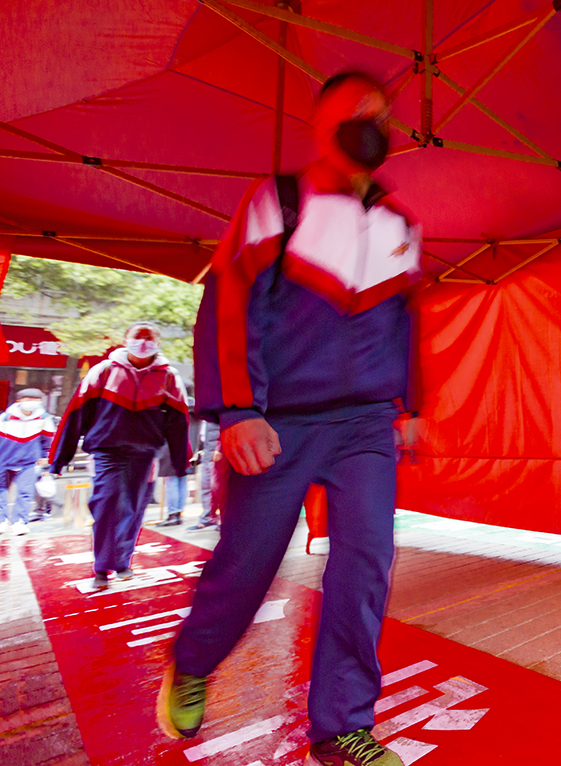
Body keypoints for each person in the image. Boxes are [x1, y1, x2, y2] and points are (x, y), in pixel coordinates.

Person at [160, 71, 421, 766]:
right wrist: (238, 410)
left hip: (366, 424)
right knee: (248, 563)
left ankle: (341, 730)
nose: (372, 119)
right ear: (321, 123)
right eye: (355, 111)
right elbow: (227, 300)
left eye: (382, 112)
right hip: (280, 420)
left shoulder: (402, 224)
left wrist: (411, 408)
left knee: (365, 568)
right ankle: (192, 660)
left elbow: (406, 325)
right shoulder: (279, 201)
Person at [49, 322, 191, 590]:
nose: (143, 342)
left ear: (158, 343)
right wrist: (60, 457)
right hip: (106, 451)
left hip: (145, 453)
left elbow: (178, 422)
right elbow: (76, 413)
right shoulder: (103, 371)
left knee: (133, 508)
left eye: (149, 338)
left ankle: (123, 561)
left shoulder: (169, 377)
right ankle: (102, 567)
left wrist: (180, 462)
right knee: (106, 502)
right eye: (138, 336)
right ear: (125, 339)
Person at [0, 388, 56, 535]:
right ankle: (1, 521)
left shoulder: (44, 418)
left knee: (25, 493)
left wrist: (46, 457)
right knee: (1, 491)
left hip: (29, 462)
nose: (32, 403)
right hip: (4, 460)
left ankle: (19, 523)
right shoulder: (5, 417)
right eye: (28, 399)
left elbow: (47, 440)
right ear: (18, 401)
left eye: (36, 399)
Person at [158, 396, 200, 527]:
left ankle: (172, 514)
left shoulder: (174, 406)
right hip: (190, 449)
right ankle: (179, 513)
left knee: (171, 481)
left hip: (172, 448)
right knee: (182, 480)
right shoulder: (197, 410)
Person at [186, 418, 221, 531]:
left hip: (217, 454)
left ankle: (222, 519)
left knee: (218, 488)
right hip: (206, 455)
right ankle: (207, 519)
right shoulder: (203, 419)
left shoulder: (216, 413)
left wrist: (219, 449)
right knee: (205, 487)